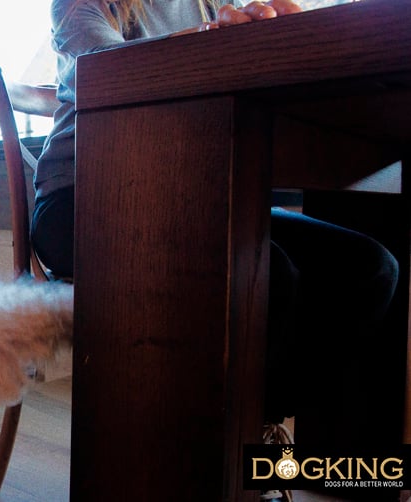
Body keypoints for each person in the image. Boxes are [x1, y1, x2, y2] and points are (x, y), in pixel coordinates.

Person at [35, 0, 400, 446]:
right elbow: (105, 69)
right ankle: (220, 440)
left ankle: (248, 421)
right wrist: (210, 40)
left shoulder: (208, 5)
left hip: (198, 188)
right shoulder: (82, 4)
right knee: (266, 271)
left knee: (369, 267)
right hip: (83, 195)